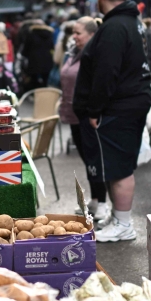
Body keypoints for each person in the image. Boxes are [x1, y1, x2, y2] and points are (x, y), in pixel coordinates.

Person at [73, 0, 151, 242]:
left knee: (118, 167)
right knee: (113, 164)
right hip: (128, 102)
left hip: (118, 107)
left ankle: (124, 224)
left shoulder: (115, 27)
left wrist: (94, 110)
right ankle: (118, 218)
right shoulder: (132, 22)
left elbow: (106, 72)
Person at [59, 17, 111, 222]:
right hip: (73, 114)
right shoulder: (73, 53)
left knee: (95, 160)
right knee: (87, 159)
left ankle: (104, 203)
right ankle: (96, 199)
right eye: (73, 32)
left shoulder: (95, 55)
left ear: (91, 34)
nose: (74, 36)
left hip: (88, 115)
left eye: (78, 32)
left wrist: (94, 111)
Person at [15, 21, 55, 91]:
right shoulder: (49, 34)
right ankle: (45, 95)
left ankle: (36, 96)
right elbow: (52, 46)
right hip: (47, 60)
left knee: (34, 80)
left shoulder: (31, 34)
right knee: (45, 80)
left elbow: (26, 49)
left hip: (34, 61)